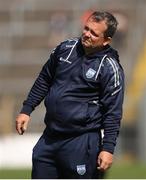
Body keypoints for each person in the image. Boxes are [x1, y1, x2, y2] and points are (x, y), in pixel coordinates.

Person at [16, 11, 124, 179]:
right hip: (49, 139)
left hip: (81, 143)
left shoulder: (110, 67)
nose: (87, 34)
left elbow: (113, 112)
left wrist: (108, 149)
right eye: (86, 28)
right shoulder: (65, 48)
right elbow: (45, 78)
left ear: (106, 41)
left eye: (94, 33)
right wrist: (27, 108)